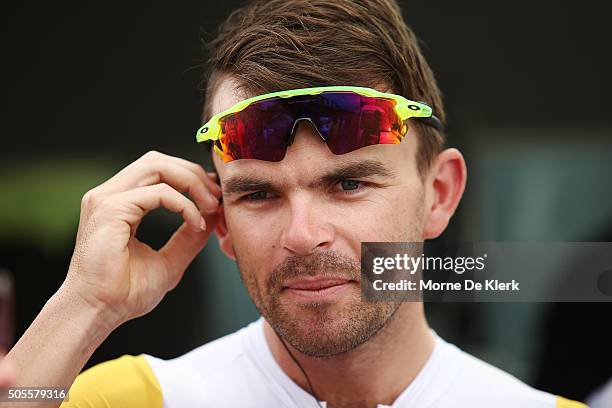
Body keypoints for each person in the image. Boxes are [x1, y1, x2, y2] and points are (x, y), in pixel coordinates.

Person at [1, 0, 587, 407]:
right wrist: (85, 306)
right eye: (258, 194)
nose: (304, 235)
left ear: (439, 196)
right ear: (221, 222)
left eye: (349, 184)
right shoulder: (140, 400)